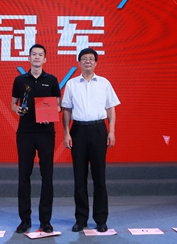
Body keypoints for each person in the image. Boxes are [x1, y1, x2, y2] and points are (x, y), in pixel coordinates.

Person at [62, 47, 120, 233]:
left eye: (91, 59)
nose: (87, 61)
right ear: (79, 62)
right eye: (84, 59)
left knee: (99, 177)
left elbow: (111, 108)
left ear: (96, 63)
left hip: (98, 130)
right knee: (79, 178)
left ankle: (101, 219)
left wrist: (111, 131)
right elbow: (66, 110)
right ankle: (81, 219)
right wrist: (66, 133)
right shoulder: (71, 84)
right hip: (78, 130)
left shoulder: (104, 83)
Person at [11, 44, 61, 234]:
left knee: (47, 176)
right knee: (24, 175)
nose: (37, 57)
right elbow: (13, 104)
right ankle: (25, 220)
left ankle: (45, 221)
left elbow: (58, 106)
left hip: (46, 133)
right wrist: (17, 109)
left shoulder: (52, 80)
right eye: (34, 54)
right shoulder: (20, 80)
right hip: (25, 132)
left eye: (40, 55)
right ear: (29, 58)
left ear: (45, 59)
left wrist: (51, 112)